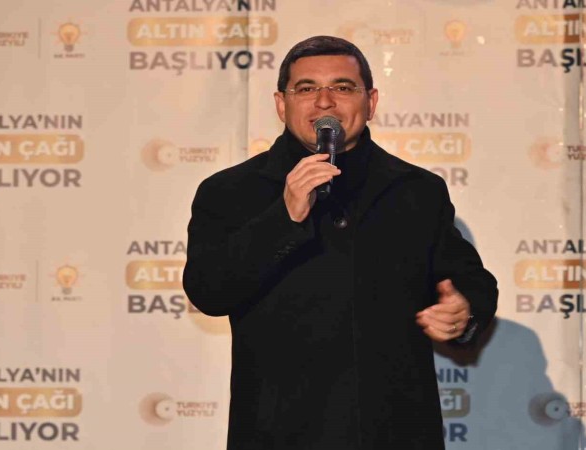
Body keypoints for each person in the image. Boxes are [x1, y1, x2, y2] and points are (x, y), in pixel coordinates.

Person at [183, 35, 498, 450]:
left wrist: (464, 310)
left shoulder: (416, 190)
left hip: (394, 430)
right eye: (306, 88)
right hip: (279, 432)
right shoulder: (230, 191)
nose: (325, 102)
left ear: (371, 101)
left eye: (343, 87)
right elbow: (208, 290)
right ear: (281, 104)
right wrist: (284, 217)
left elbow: (470, 281)